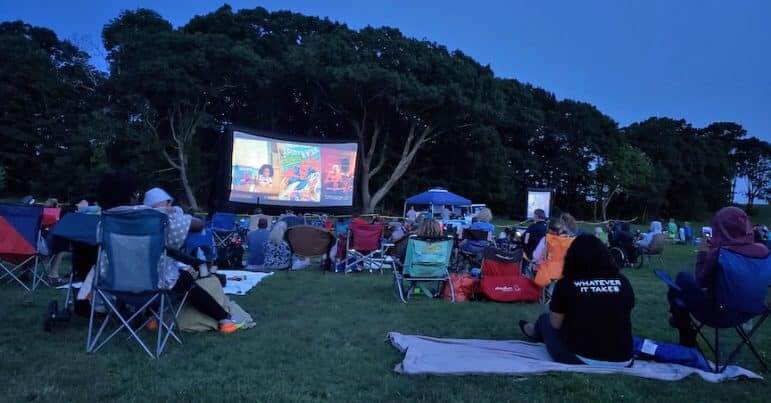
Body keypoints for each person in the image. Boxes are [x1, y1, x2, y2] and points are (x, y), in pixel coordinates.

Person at [519, 234, 635, 366]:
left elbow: (555, 324)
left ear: (572, 257)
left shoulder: (566, 284)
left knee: (545, 320)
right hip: (624, 358)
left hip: (580, 357)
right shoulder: (623, 282)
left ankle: (535, 332)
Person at [141, 187, 243, 334]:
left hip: (125, 281)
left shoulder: (123, 221)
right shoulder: (164, 221)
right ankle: (224, 319)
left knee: (167, 279)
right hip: (158, 278)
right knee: (184, 280)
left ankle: (152, 318)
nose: (170, 206)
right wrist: (175, 212)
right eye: (168, 203)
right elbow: (198, 224)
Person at [666, 207, 769, 347]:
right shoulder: (764, 251)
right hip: (751, 312)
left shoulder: (720, 253)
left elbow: (700, 282)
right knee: (680, 291)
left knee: (682, 279)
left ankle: (683, 326)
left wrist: (703, 253)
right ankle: (680, 320)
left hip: (718, 315)